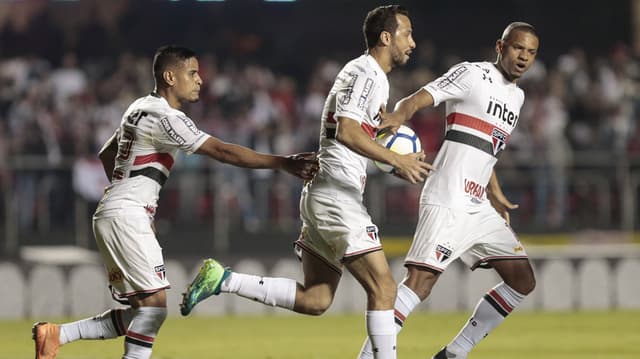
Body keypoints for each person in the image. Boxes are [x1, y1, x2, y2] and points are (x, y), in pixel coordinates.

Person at [32, 45, 318, 359]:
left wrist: (125, 193)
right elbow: (222, 152)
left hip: (115, 212)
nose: (200, 80)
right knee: (153, 309)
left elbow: (107, 154)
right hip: (126, 214)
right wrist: (282, 162)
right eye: (192, 73)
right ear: (170, 76)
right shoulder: (166, 116)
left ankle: (58, 334)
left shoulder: (138, 107)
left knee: (144, 310)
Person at [179, 5, 432, 359]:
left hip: (325, 193)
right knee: (385, 287)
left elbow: (351, 129)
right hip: (335, 197)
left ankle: (224, 279)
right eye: (407, 33)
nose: (414, 42)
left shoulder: (369, 77)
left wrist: (386, 145)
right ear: (386, 37)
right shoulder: (366, 73)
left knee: (317, 298)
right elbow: (346, 129)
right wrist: (394, 158)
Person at [357, 22, 540, 359]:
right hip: (448, 197)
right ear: (500, 46)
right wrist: (398, 115)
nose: (523, 58)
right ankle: (369, 357)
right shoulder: (472, 74)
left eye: (530, 53)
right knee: (420, 284)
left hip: (479, 203)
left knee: (522, 280)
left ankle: (454, 353)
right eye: (518, 49)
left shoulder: (517, 96)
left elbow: (486, 149)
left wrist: (494, 192)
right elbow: (417, 99)